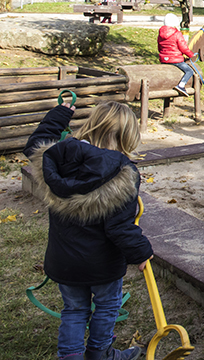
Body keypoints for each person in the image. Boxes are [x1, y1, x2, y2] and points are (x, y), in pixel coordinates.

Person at [22, 99, 153, 360]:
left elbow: (36, 143)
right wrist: (141, 253)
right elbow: (119, 227)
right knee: (106, 306)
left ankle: (70, 356)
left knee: (74, 308)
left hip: (63, 259)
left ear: (91, 125)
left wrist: (60, 114)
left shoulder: (57, 158)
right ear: (128, 135)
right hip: (101, 264)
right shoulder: (123, 173)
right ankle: (99, 353)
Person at [158, 13, 195, 96]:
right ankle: (181, 85)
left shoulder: (160, 33)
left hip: (164, 59)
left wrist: (164, 55)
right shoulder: (177, 34)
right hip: (175, 60)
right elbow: (183, 48)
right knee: (189, 71)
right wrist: (191, 55)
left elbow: (159, 47)